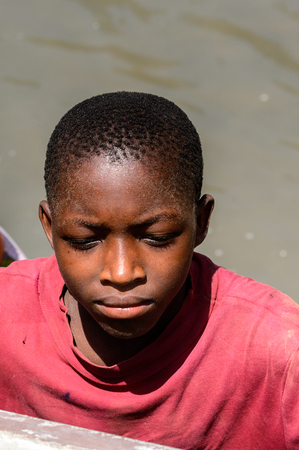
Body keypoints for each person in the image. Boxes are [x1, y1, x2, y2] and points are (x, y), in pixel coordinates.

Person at [0, 92, 299, 450]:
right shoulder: (7, 320)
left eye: (157, 238)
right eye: (84, 239)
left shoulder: (277, 357)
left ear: (201, 222)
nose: (122, 273)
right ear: (50, 227)